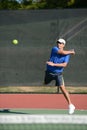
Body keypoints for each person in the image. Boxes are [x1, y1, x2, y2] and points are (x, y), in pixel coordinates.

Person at [44, 38, 75, 114]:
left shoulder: (67, 55)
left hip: (58, 74)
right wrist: (71, 51)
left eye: (61, 43)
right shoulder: (54, 49)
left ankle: (71, 105)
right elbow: (61, 52)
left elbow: (64, 64)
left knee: (62, 88)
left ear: (64, 45)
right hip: (49, 72)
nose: (59, 44)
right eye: (58, 42)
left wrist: (54, 64)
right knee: (44, 83)